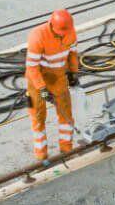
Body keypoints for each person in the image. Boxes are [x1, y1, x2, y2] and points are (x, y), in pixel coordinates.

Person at [24, 9, 79, 161]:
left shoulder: (70, 33)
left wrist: (73, 73)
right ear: (52, 27)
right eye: (61, 32)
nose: (64, 35)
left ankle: (66, 148)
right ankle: (41, 155)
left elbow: (73, 54)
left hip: (58, 76)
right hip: (37, 79)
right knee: (37, 115)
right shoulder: (37, 36)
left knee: (66, 113)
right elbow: (32, 67)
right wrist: (42, 88)